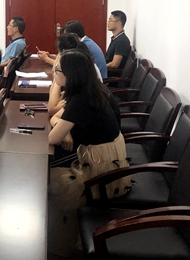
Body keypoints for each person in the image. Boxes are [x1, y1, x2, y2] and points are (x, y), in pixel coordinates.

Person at [47, 49, 130, 256]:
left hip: (102, 172)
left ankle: (59, 244)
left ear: (71, 75)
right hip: (107, 159)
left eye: (58, 70)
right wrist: (64, 127)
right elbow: (57, 117)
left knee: (46, 176)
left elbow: (53, 138)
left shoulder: (81, 99)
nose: (54, 73)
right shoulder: (91, 89)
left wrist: (61, 126)